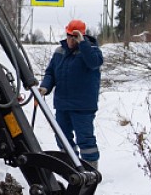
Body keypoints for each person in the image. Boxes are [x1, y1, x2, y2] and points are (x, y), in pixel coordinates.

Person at [39, 19, 104, 170]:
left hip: (83, 106)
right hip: (62, 105)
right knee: (62, 138)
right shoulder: (60, 52)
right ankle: (70, 166)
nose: (71, 40)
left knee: (85, 140)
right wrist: (45, 87)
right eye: (69, 36)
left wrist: (83, 44)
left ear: (81, 36)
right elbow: (51, 73)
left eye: (74, 37)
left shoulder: (91, 50)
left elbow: (94, 63)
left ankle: (90, 169)